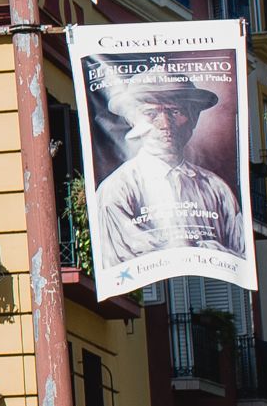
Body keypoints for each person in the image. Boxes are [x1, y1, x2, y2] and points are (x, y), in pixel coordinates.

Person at [93, 65, 246, 264]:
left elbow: (240, 255)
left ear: (192, 119)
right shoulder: (116, 190)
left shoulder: (216, 189)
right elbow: (119, 257)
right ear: (133, 120)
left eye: (175, 112)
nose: (165, 124)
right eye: (151, 113)